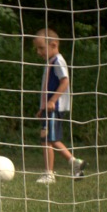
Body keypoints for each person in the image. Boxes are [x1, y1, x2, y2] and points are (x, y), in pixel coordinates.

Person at [32, 28, 85, 184]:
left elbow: (65, 81)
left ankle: (49, 174)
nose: (38, 52)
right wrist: (43, 107)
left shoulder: (58, 60)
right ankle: (75, 162)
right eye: (37, 48)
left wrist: (52, 101)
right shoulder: (50, 61)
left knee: (46, 139)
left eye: (41, 48)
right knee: (51, 139)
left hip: (54, 108)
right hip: (49, 108)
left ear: (54, 45)